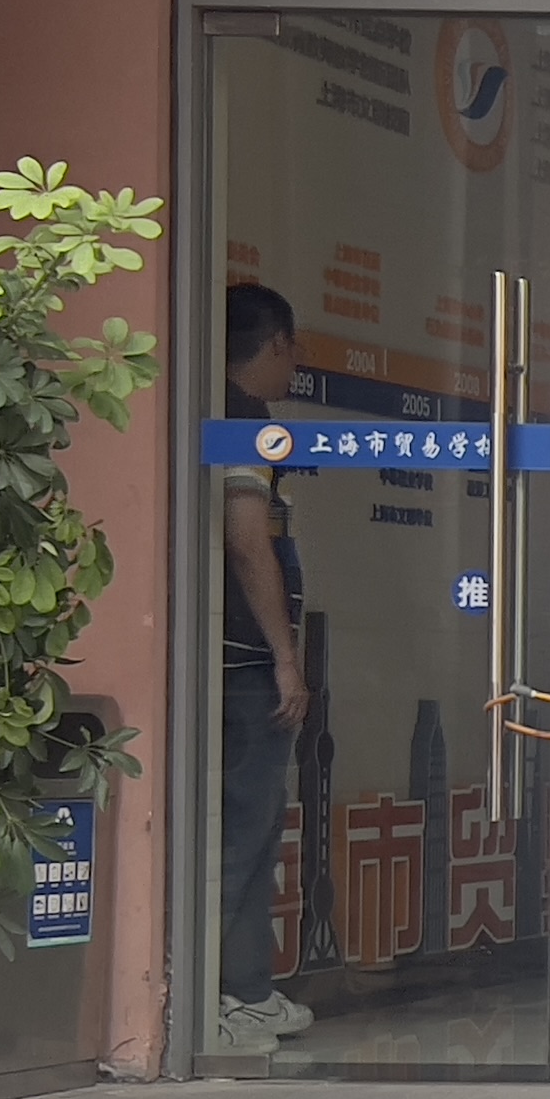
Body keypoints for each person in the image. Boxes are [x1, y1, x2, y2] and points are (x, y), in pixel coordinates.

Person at [213, 282, 312, 1058]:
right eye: (291, 350)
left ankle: (246, 990)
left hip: (217, 657)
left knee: (251, 828)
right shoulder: (243, 421)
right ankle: (210, 995)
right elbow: (248, 542)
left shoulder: (203, 407)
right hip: (243, 661)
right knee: (242, 831)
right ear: (276, 344)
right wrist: (285, 656)